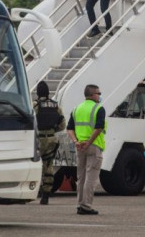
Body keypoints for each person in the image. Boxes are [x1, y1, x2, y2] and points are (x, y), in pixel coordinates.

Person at [66, 84, 106, 215]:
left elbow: (69, 128)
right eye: (98, 93)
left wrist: (75, 141)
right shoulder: (99, 109)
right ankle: (86, 205)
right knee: (91, 177)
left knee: (81, 177)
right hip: (93, 146)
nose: (100, 96)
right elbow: (99, 128)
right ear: (92, 95)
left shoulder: (76, 109)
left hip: (80, 147)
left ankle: (79, 204)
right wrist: (89, 142)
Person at [34, 81, 66, 205]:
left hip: (38, 139)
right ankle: (46, 194)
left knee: (35, 165)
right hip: (51, 138)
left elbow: (31, 121)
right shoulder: (56, 106)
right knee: (49, 166)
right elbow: (62, 125)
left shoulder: (35, 105)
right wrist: (52, 130)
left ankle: (34, 190)